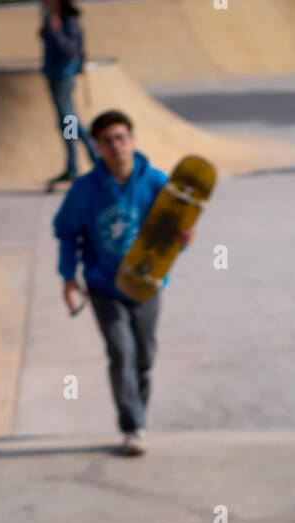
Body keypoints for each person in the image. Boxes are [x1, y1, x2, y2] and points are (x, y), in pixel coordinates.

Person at [53, 109, 193, 454]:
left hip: (147, 285)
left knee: (144, 356)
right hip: (105, 287)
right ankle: (132, 426)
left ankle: (138, 415)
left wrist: (181, 238)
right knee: (121, 353)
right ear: (98, 147)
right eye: (107, 141)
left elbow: (171, 230)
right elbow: (68, 233)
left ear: (131, 140)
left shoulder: (156, 182)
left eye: (121, 138)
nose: (116, 146)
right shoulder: (84, 190)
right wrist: (68, 278)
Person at [41, 0, 98, 188]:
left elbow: (70, 50)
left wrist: (56, 32)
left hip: (63, 77)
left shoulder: (68, 21)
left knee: (70, 121)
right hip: (56, 75)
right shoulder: (54, 18)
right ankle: (76, 164)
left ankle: (90, 160)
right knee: (68, 121)